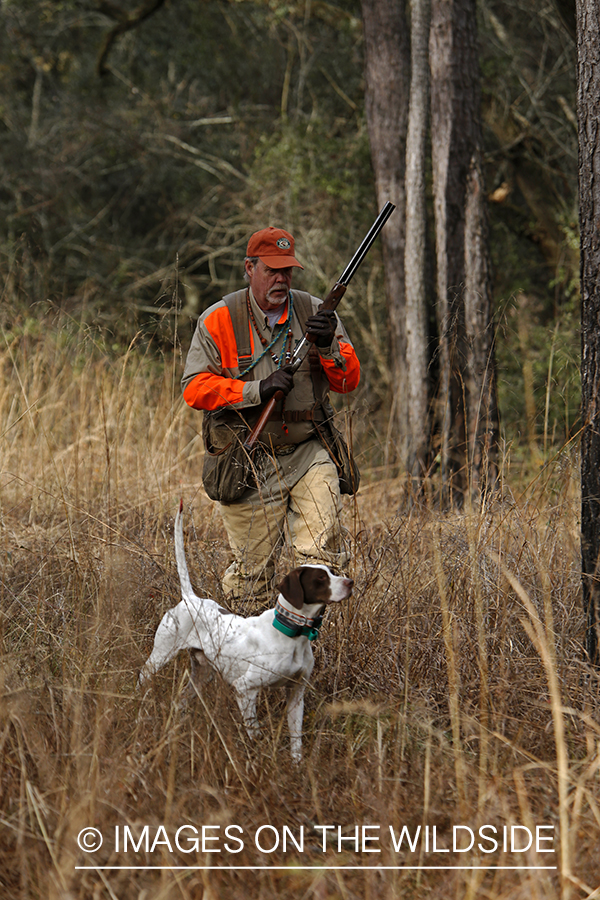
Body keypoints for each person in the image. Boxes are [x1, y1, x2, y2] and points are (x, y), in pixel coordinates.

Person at [182, 226, 360, 600]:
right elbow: (194, 388)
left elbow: (348, 382)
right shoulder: (218, 319)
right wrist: (254, 390)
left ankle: (310, 648)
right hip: (249, 458)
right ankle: (246, 653)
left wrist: (328, 347)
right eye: (271, 270)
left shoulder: (317, 312)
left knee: (320, 560)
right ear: (249, 268)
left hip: (309, 451)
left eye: (287, 271)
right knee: (251, 577)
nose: (281, 279)